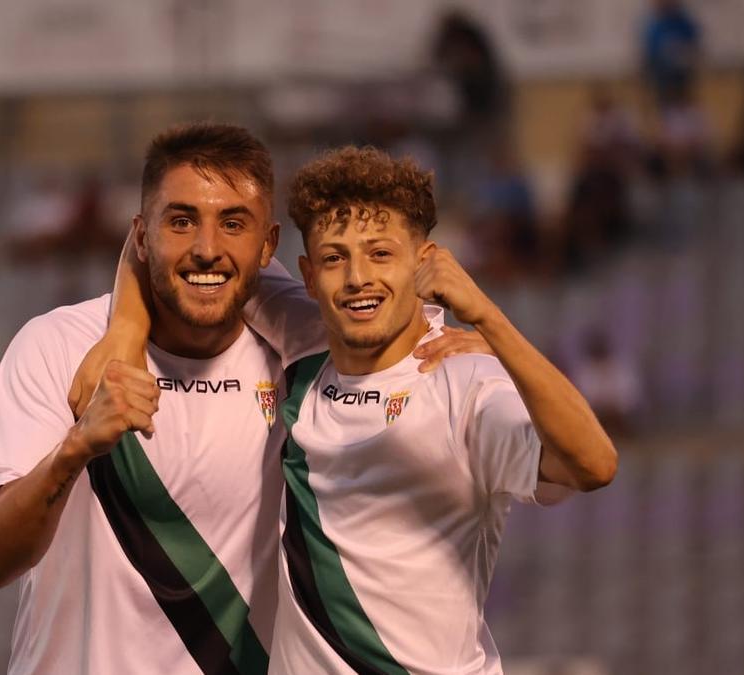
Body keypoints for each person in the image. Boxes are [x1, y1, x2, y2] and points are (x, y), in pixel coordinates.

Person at [0, 124, 489, 674]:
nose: (207, 248)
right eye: (182, 220)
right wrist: (75, 449)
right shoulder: (58, 347)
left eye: (233, 223)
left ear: (269, 245)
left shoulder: (310, 347)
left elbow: (396, 331)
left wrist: (483, 345)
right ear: (142, 237)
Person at [255, 147, 616, 673]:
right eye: (335, 258)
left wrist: (490, 320)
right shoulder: (302, 348)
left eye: (381, 253)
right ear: (309, 277)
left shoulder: (465, 381)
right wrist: (126, 325)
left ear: (425, 262)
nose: (357, 277)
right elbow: (183, 249)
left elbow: (595, 464)